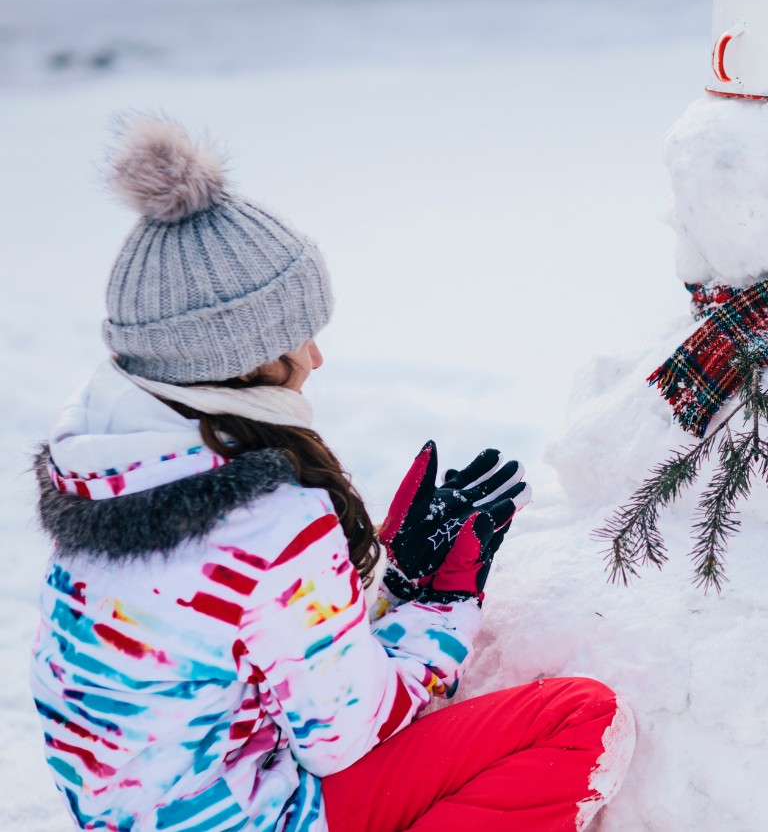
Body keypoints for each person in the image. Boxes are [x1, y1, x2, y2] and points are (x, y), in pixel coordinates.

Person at [30, 118, 634, 831]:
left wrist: (380, 599)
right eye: (297, 336)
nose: (315, 358)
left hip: (155, 813)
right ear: (242, 355)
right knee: (582, 722)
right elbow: (345, 736)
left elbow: (249, 664)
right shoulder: (268, 520)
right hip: (251, 817)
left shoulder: (107, 471)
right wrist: (441, 604)